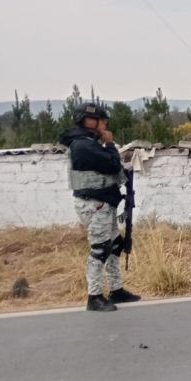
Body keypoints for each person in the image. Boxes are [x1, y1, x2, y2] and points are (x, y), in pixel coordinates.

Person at [58, 101, 141, 312]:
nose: (104, 123)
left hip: (103, 202)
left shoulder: (87, 143)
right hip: (94, 205)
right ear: (88, 120)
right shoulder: (83, 146)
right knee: (100, 249)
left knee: (113, 245)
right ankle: (94, 296)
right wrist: (110, 144)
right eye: (101, 120)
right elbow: (112, 164)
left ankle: (116, 290)